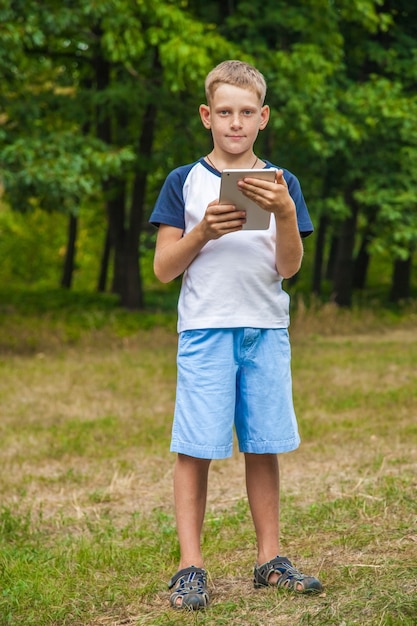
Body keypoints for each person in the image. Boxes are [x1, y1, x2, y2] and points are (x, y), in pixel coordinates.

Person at [149, 59, 323, 610]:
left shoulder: (281, 183)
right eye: (224, 112)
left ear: (263, 117)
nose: (235, 123)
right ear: (206, 116)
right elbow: (163, 269)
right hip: (204, 332)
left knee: (263, 444)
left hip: (265, 330)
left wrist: (287, 215)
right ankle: (190, 567)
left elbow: (289, 268)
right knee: (195, 447)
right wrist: (202, 231)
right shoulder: (185, 181)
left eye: (247, 112)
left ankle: (269, 560)